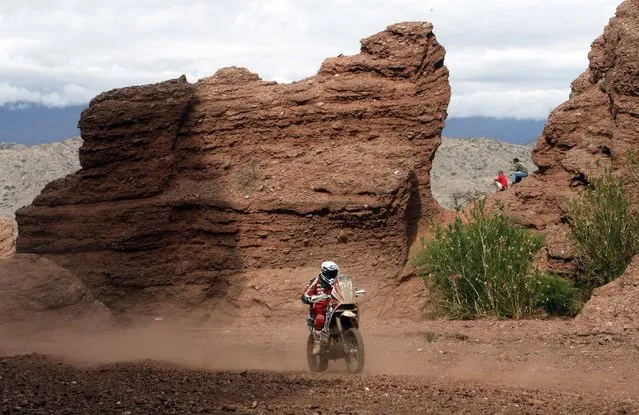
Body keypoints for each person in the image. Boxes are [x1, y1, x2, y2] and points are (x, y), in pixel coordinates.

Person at [301, 261, 340, 355]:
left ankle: (350, 336)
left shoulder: (337, 281)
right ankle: (317, 343)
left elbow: (345, 288)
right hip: (320, 309)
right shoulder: (316, 281)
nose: (332, 275)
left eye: (334, 273)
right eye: (330, 273)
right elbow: (305, 295)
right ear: (324, 272)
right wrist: (309, 298)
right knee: (320, 319)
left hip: (335, 306)